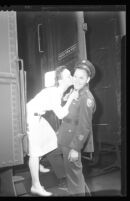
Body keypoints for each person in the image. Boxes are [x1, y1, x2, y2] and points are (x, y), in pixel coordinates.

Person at [26, 66, 78, 196]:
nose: (71, 77)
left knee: (51, 140)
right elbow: (61, 114)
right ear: (60, 80)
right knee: (34, 152)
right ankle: (35, 186)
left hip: (37, 115)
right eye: (68, 76)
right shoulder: (55, 92)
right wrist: (71, 99)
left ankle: (37, 165)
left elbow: (53, 102)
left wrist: (66, 98)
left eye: (70, 74)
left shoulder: (57, 91)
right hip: (31, 117)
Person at [57, 59, 96, 196]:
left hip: (72, 142)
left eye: (82, 77)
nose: (78, 80)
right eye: (75, 76)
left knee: (74, 176)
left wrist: (75, 148)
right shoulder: (75, 91)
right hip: (66, 138)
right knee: (74, 175)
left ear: (88, 80)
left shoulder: (86, 98)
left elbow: (84, 127)